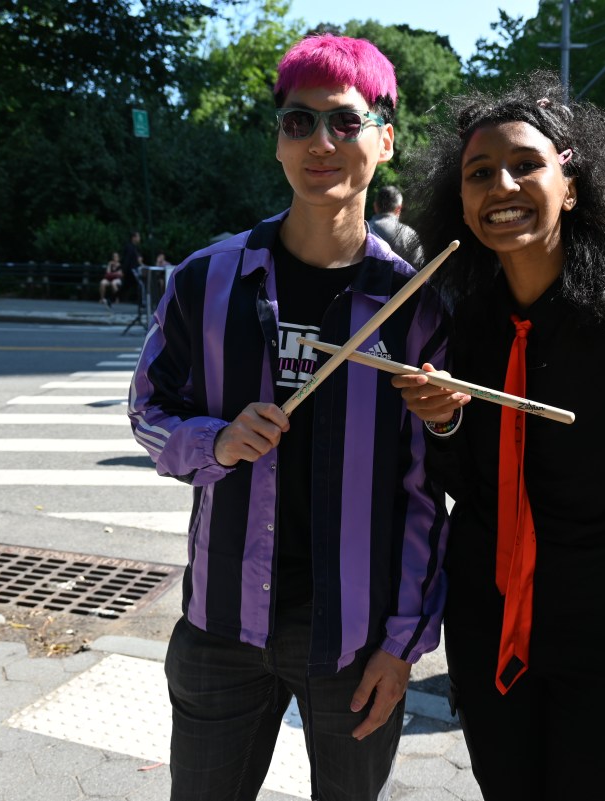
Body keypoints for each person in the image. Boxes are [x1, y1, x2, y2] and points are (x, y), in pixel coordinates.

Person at [127, 34, 449, 801]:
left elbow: (425, 496)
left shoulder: (415, 307)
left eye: (345, 121)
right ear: (277, 140)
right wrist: (214, 440)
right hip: (219, 629)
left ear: (385, 139)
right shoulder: (206, 279)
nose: (321, 143)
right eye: (298, 122)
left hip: (356, 643)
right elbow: (147, 409)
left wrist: (403, 645)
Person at [392, 71, 605, 800]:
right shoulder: (464, 326)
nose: (501, 184)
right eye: (480, 173)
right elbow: (470, 490)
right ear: (461, 202)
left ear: (571, 186)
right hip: (489, 638)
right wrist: (443, 419)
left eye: (525, 164)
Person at [368, 184, 424, 266]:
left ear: (375, 206)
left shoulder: (364, 230)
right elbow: (419, 266)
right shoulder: (409, 233)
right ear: (398, 209)